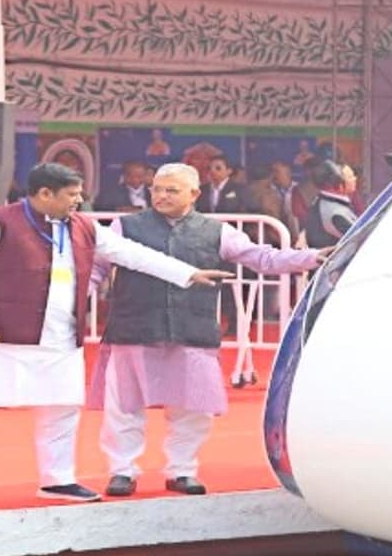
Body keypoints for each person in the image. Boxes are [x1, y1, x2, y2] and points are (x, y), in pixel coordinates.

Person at [0, 163, 229, 508]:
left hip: (61, 339)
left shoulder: (84, 227)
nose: (79, 200)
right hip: (0, 337)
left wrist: (188, 274)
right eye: (72, 194)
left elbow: (134, 254)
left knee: (62, 411)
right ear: (44, 194)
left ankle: (58, 480)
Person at [88, 163, 327, 497]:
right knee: (124, 405)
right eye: (157, 189)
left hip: (193, 328)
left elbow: (262, 258)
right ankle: (122, 470)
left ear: (194, 194)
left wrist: (311, 259)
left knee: (194, 407)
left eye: (171, 190)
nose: (161, 196)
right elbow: (95, 268)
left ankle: (182, 470)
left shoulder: (218, 231)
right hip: (134, 326)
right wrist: (74, 303)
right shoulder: (124, 226)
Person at [304, 161, 359, 249]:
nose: (355, 179)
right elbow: (362, 239)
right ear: (339, 185)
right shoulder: (335, 213)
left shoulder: (324, 203)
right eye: (350, 177)